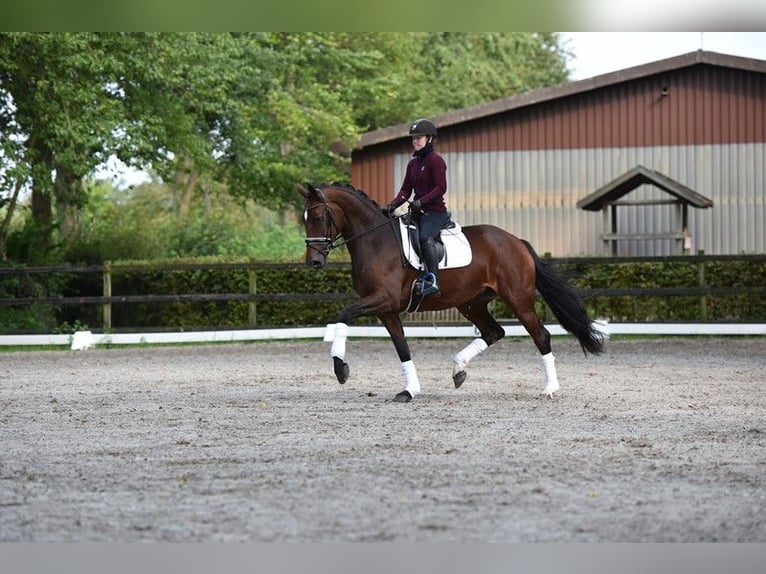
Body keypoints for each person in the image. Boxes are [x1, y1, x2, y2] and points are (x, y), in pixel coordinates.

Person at [386, 118, 450, 297]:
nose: (415, 141)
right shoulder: (413, 164)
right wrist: (393, 204)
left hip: (435, 212)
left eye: (419, 138)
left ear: (429, 139)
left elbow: (441, 188)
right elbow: (406, 190)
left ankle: (433, 280)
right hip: (417, 212)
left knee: (424, 238)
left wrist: (422, 201)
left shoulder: (436, 161)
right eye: (413, 138)